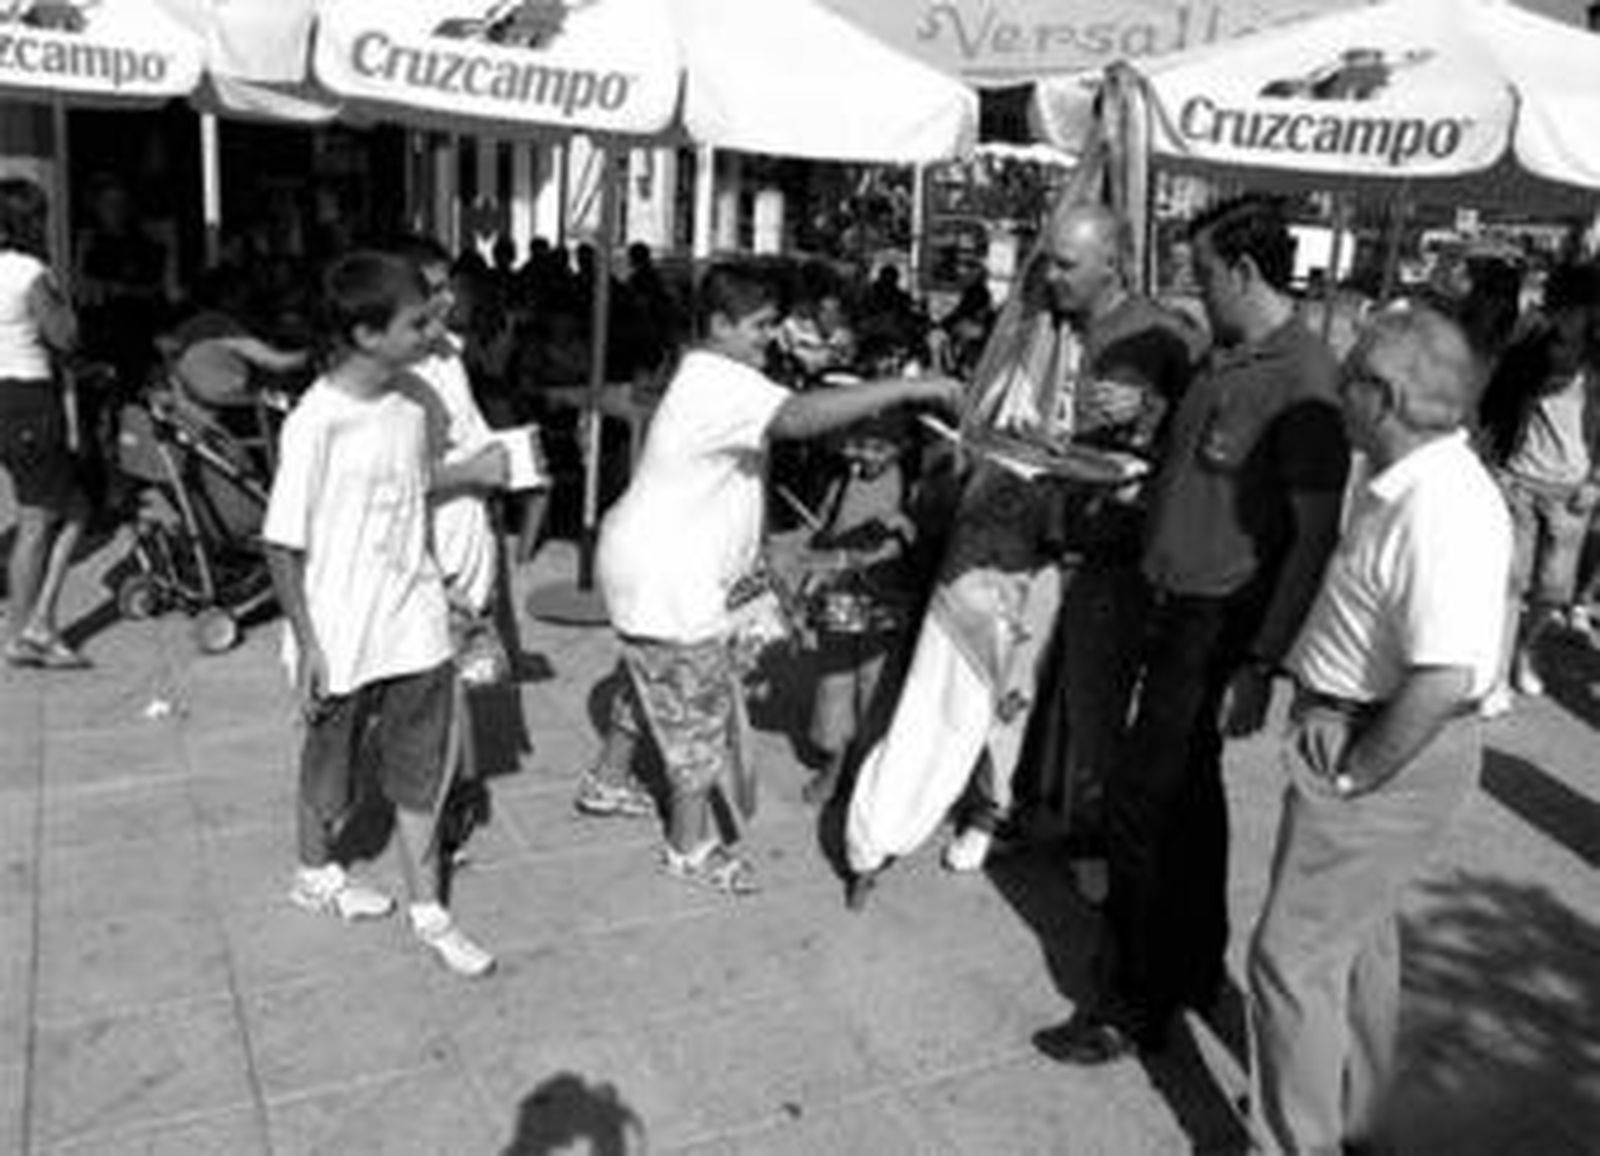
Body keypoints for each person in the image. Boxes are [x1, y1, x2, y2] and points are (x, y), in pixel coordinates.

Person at [1037, 194, 1349, 1064]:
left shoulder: (1304, 376)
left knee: (1140, 805)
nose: (1192, 289)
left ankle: (1130, 1003)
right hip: (1169, 601)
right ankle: (1194, 964)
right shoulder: (1226, 353)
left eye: (1204, 274)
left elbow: (1314, 533)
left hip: (1218, 622)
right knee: (1189, 802)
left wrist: (1262, 659)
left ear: (1245, 271)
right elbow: (1195, 470)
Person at [841, 200, 1198, 901]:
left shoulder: (1165, 334)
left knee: (1092, 703)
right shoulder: (1035, 325)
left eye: (1068, 263)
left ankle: (1090, 832)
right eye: (1050, 261)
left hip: (1108, 549)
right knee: (993, 689)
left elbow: (1196, 432)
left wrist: (1149, 415)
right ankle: (990, 811)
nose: (1053, 276)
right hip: (1018, 537)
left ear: (1112, 263)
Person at [585, 262, 962, 894]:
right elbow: (797, 416)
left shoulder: (709, 373)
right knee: (696, 712)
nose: (770, 337)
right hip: (668, 576)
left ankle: (609, 778)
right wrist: (903, 390)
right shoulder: (721, 380)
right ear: (719, 325)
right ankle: (691, 846)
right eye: (760, 326)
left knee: (647, 677)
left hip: (653, 563)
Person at [1249, 303, 1510, 1154]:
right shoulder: (1410, 483)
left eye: (1349, 372)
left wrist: (1356, 773)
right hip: (1374, 734)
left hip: (1383, 748)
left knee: (1290, 961)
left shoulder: (1442, 505)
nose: (1334, 387)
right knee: (1356, 945)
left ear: (1383, 395)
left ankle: (1298, 1142)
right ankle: (1354, 1120)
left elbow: (1444, 677)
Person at [262, 251, 506, 978]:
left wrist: (442, 584)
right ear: (367, 334)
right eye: (419, 321)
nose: (438, 327)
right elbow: (282, 542)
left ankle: (431, 912)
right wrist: (306, 642)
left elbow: (411, 498)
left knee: (420, 772)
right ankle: (315, 874)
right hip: (339, 634)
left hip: (416, 624)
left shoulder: (414, 401)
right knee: (328, 777)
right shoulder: (317, 421)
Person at [1476, 262, 1600, 715]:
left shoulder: (1595, 361)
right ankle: (1495, 678)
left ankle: (1524, 650)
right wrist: (1493, 465)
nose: (1562, 319)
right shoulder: (1529, 351)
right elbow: (1494, 407)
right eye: (1557, 309)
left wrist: (1596, 481)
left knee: (1553, 590)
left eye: (1573, 311)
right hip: (1519, 481)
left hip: (1572, 492)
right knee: (1511, 583)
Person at [0, 178, 91, 669]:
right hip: (29, 399)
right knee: (38, 520)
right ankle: (23, 632)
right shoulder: (30, 272)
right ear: (30, 221)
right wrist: (63, 295)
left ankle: (39, 619)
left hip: (3, 397)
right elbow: (66, 336)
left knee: (75, 507)